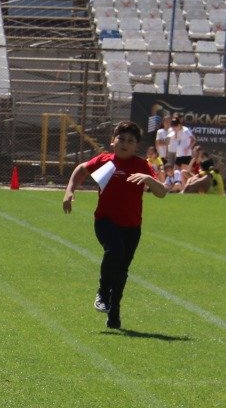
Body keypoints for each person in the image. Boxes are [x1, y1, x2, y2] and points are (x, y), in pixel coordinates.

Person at [61, 121, 166, 331]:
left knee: (122, 270)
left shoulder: (141, 165)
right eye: (121, 139)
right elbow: (81, 169)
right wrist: (69, 190)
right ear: (112, 141)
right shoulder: (106, 161)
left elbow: (161, 192)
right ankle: (102, 292)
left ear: (136, 146)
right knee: (115, 251)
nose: (125, 144)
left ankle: (114, 311)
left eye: (130, 141)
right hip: (105, 221)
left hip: (132, 227)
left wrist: (148, 179)